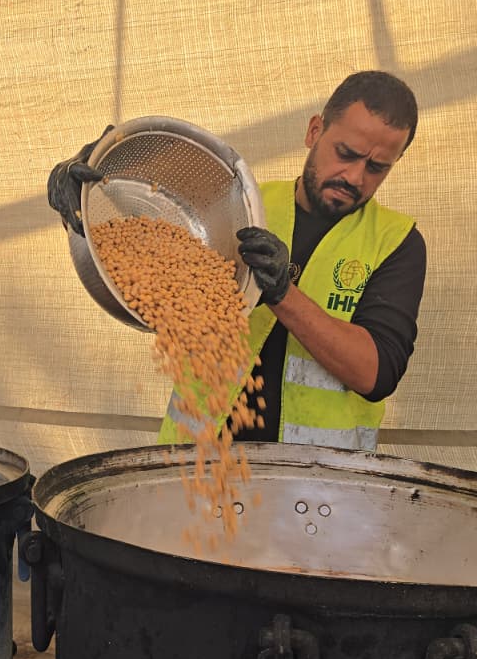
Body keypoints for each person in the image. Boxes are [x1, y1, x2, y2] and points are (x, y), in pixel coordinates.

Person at [48, 71, 425, 451]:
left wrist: (281, 293)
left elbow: (375, 373)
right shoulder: (240, 209)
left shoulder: (395, 241)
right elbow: (140, 252)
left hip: (318, 488)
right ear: (314, 131)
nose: (355, 176)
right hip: (197, 464)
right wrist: (82, 198)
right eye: (345, 154)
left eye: (377, 167)